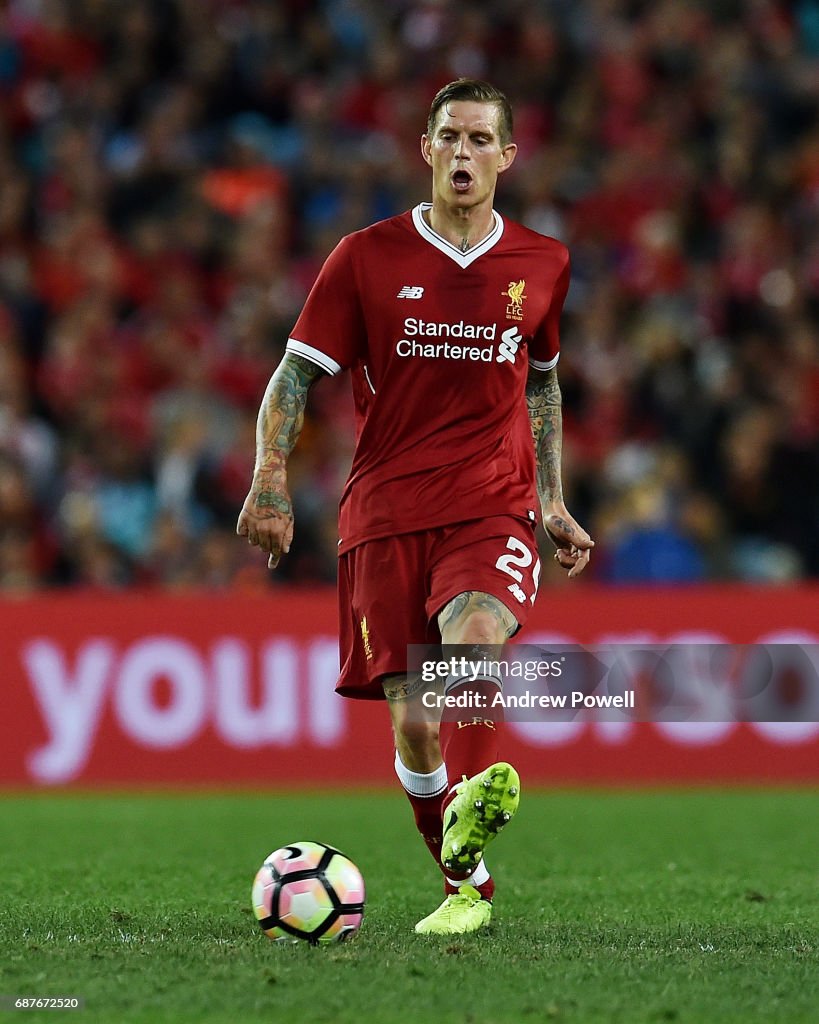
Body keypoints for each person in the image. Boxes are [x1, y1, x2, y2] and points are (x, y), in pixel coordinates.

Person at [237, 79, 593, 935]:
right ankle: (464, 875)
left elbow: (541, 387)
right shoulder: (364, 257)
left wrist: (548, 500)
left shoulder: (542, 263)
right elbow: (295, 375)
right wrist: (269, 477)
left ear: (507, 156)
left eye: (480, 140)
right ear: (425, 149)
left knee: (473, 639)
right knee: (416, 728)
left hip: (489, 505)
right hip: (384, 512)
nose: (463, 154)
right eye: (449, 138)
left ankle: (476, 797)